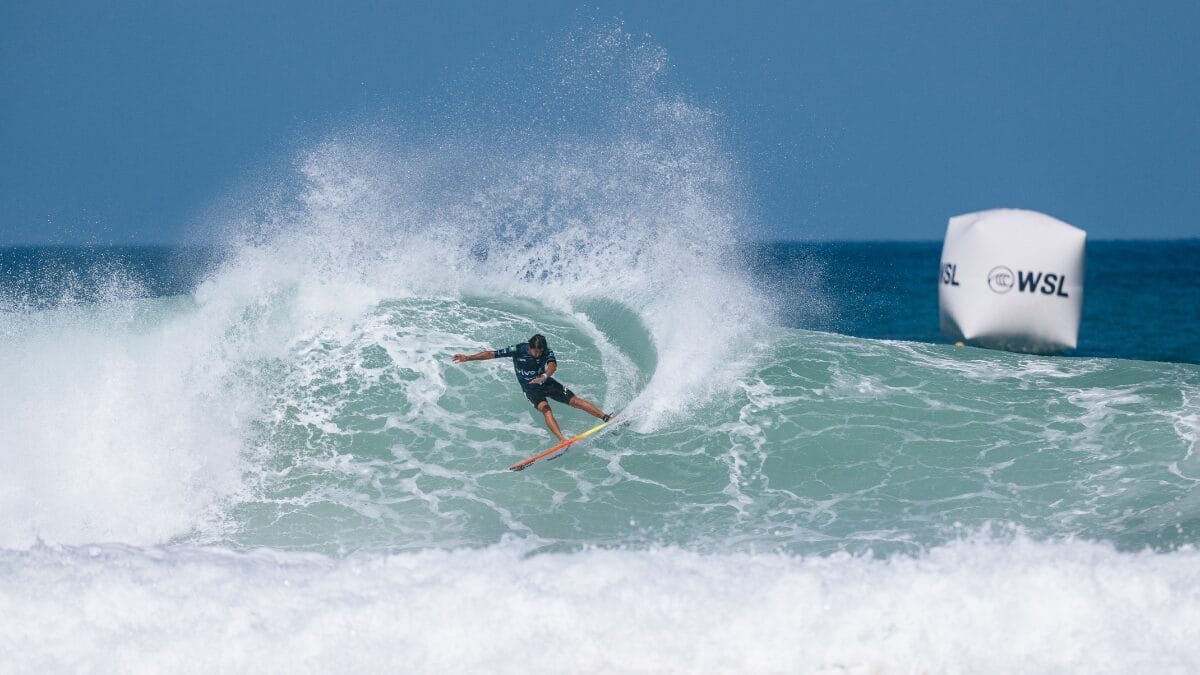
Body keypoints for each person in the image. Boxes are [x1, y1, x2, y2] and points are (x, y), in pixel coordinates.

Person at [452, 333, 613, 442]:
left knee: (575, 401)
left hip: (545, 382)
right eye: (535, 351)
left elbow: (552, 366)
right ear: (529, 347)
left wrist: (544, 376)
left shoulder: (546, 352)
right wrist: (468, 357)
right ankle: (563, 441)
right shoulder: (518, 349)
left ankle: (606, 418)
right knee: (546, 409)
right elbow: (491, 354)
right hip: (530, 388)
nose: (537, 354)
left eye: (539, 351)